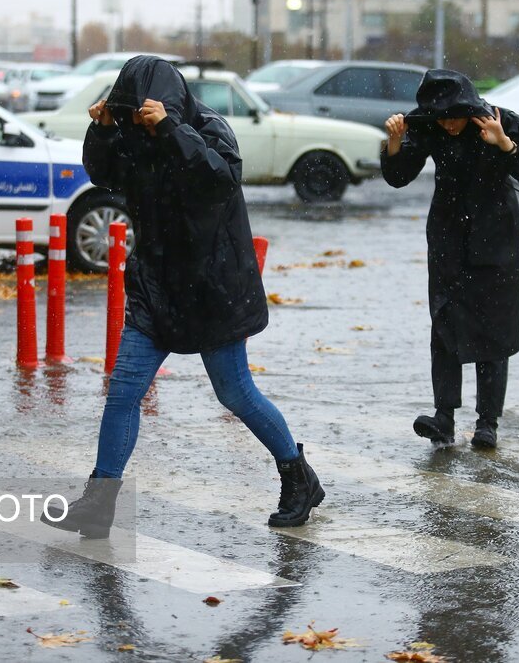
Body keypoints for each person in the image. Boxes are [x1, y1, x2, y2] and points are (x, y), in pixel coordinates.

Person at [41, 56, 324, 538]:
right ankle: (99, 503)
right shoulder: (131, 133)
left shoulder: (207, 129)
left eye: (142, 113)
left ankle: (299, 478)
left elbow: (217, 179)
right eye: (130, 113)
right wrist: (105, 130)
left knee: (235, 393)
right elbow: (106, 175)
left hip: (212, 286)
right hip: (157, 285)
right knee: (124, 390)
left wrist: (171, 128)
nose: (138, 122)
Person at [381, 69, 519, 449]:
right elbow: (399, 176)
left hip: (497, 237)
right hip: (447, 235)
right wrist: (394, 144)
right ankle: (443, 417)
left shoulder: (499, 122)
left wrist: (505, 144)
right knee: (444, 322)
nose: (449, 125)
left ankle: (487, 422)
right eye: (442, 118)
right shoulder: (429, 126)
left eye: (454, 116)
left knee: (495, 328)